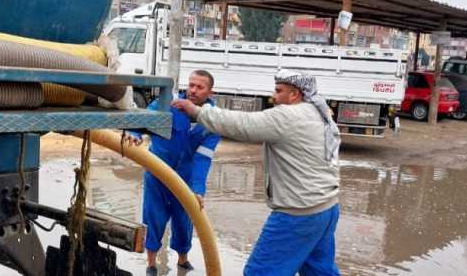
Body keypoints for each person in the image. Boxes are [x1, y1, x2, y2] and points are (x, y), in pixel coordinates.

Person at [172, 70, 341, 276]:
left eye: (279, 91)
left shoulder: (288, 116)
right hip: (326, 209)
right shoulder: (317, 114)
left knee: (259, 272)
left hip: (298, 213)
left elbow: (242, 124)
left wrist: (198, 112)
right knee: (319, 272)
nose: (274, 97)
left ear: (295, 94)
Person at [126, 70, 220, 275]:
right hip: (157, 174)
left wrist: (197, 189)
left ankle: (182, 260)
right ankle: (151, 264)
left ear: (210, 92)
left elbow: (202, 159)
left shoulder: (212, 121)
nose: (193, 90)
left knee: (183, 219)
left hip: (184, 180)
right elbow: (142, 120)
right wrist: (134, 133)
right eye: (191, 85)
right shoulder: (168, 103)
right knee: (153, 216)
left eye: (199, 87)